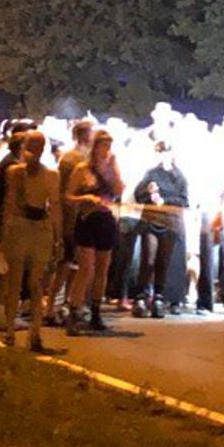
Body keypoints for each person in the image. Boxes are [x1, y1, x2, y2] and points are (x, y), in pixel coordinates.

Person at [0, 130, 58, 351]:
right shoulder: (15, 172)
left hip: (40, 225)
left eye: (40, 145)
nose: (36, 149)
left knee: (36, 282)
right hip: (20, 224)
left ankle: (36, 332)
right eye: (32, 144)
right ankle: (11, 330)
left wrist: (58, 237)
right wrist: (4, 234)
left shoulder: (51, 174)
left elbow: (55, 206)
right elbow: (10, 201)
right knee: (14, 279)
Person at [65, 129, 123, 335]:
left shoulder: (110, 169)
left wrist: (114, 167)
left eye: (109, 146)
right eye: (103, 145)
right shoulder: (83, 169)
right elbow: (69, 196)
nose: (106, 150)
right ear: (95, 146)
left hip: (106, 219)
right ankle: (74, 311)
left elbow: (118, 190)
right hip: (87, 219)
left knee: (102, 268)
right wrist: (85, 199)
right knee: (86, 268)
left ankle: (96, 311)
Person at [132, 141, 189, 317]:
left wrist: (165, 201)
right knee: (148, 258)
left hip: (170, 222)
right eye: (160, 151)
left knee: (163, 261)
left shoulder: (179, 176)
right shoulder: (151, 173)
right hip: (151, 220)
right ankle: (141, 296)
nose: (163, 154)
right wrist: (148, 191)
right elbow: (138, 195)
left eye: (166, 151)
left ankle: (159, 296)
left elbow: (184, 201)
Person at [52, 119, 94, 323]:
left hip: (86, 217)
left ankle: (70, 303)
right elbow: (62, 192)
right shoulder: (70, 159)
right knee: (65, 262)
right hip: (73, 215)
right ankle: (53, 305)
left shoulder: (88, 158)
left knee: (78, 264)